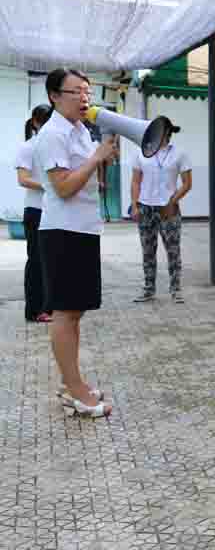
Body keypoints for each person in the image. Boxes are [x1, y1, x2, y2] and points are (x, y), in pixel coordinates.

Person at [35, 68, 118, 417]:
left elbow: (84, 181)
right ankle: (77, 392)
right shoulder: (53, 134)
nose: (85, 98)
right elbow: (64, 187)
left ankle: (73, 383)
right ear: (54, 96)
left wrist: (101, 158)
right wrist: (96, 158)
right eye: (76, 92)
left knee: (75, 313)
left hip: (83, 229)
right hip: (63, 232)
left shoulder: (81, 130)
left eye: (87, 91)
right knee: (65, 314)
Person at [130, 118, 191, 304]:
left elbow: (187, 184)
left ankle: (176, 290)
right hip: (145, 207)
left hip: (168, 208)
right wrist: (134, 205)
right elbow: (136, 181)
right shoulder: (141, 152)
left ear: (166, 132)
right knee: (148, 251)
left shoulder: (179, 154)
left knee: (173, 250)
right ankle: (149, 289)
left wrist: (173, 201)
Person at [16, 104, 53, 323]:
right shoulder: (28, 147)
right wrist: (49, 186)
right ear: (36, 123)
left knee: (53, 261)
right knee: (36, 261)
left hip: (55, 211)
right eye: (45, 121)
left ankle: (50, 306)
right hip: (35, 211)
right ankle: (34, 309)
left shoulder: (55, 146)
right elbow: (23, 179)